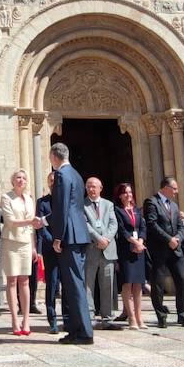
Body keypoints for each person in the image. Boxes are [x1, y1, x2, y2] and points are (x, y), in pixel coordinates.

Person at [48, 144, 93, 344]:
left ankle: (84, 332)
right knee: (73, 283)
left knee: (74, 285)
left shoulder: (61, 175)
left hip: (70, 236)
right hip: (79, 235)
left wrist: (58, 236)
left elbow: (62, 206)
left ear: (54, 156)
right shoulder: (75, 174)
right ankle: (75, 330)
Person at [144, 177, 184, 328]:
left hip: (175, 250)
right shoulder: (151, 202)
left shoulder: (175, 206)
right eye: (175, 188)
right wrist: (168, 239)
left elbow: (181, 226)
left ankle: (182, 315)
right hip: (159, 249)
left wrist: (177, 238)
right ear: (165, 187)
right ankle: (161, 316)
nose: (177, 192)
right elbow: (152, 224)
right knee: (158, 284)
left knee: (181, 281)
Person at [0, 170, 41, 335]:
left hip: (25, 242)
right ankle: (14, 320)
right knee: (12, 280)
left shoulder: (29, 199)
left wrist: (33, 247)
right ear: (13, 180)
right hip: (11, 241)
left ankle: (26, 320)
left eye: (24, 178)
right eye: (18, 177)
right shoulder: (6, 197)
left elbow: (31, 227)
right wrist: (30, 221)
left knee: (25, 281)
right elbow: (10, 221)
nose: (21, 180)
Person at [81, 177, 118, 329]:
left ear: (101, 188)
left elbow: (113, 223)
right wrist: (98, 239)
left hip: (108, 250)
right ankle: (90, 316)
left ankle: (107, 317)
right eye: (89, 186)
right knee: (88, 284)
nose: (91, 189)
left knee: (107, 284)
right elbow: (85, 224)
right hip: (91, 249)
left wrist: (107, 240)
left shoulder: (108, 204)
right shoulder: (82, 205)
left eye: (94, 186)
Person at [113, 182, 148, 330]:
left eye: (130, 192)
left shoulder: (136, 210)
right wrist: (134, 242)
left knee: (138, 285)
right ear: (120, 195)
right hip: (126, 249)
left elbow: (142, 227)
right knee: (127, 283)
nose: (129, 195)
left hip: (138, 250)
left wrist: (140, 241)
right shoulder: (118, 211)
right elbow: (121, 230)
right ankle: (131, 318)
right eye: (125, 193)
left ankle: (140, 317)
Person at [32, 173, 62, 334]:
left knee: (68, 284)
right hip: (51, 249)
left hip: (66, 248)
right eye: (51, 181)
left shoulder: (65, 201)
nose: (53, 183)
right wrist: (54, 242)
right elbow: (41, 227)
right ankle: (53, 320)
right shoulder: (42, 202)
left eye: (56, 181)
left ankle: (69, 318)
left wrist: (62, 241)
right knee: (51, 285)